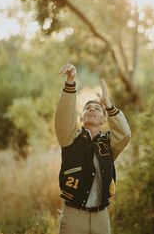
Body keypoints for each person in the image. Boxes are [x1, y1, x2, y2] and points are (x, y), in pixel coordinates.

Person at [55, 63, 131, 234]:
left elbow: (125, 134)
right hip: (73, 215)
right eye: (88, 108)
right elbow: (64, 118)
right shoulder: (70, 138)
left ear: (104, 120)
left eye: (97, 108)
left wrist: (108, 105)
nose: (92, 109)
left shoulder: (109, 144)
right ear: (82, 117)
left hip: (101, 216)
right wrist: (70, 81)